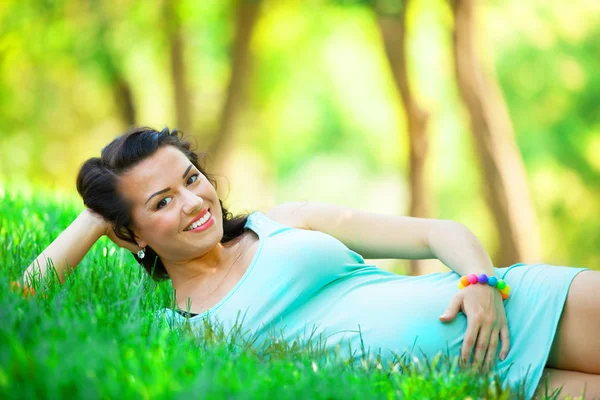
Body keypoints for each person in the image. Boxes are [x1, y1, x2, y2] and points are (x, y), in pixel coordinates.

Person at [21, 126, 600, 399]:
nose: (195, 203)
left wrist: (481, 281)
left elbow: (437, 232)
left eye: (191, 179)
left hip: (517, 307)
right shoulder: (181, 330)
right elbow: (27, 305)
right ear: (131, 233)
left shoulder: (286, 221)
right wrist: (94, 219)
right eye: (162, 202)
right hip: (490, 387)